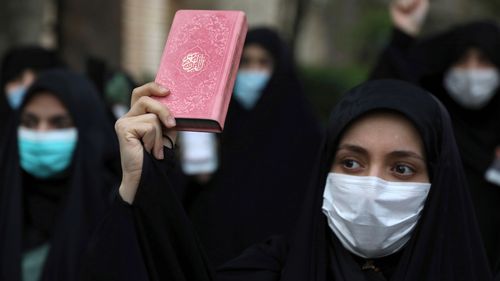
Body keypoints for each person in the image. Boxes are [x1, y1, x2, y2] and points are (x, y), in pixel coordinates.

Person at [84, 79, 492, 280]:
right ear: (323, 170)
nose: (371, 185)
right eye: (351, 163)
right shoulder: (274, 270)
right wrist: (141, 183)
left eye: (401, 168)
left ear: (438, 181)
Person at [371, 0, 500, 275]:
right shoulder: (431, 126)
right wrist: (403, 34)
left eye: (484, 61)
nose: (472, 72)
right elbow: (379, 102)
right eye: (463, 61)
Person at [179, 27, 323, 266]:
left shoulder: (303, 128)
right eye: (244, 62)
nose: (252, 72)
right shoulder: (215, 120)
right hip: (215, 257)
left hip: (276, 260)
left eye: (263, 62)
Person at [0, 69, 120, 281]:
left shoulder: (116, 207)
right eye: (29, 122)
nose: (41, 134)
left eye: (59, 123)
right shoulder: (7, 194)